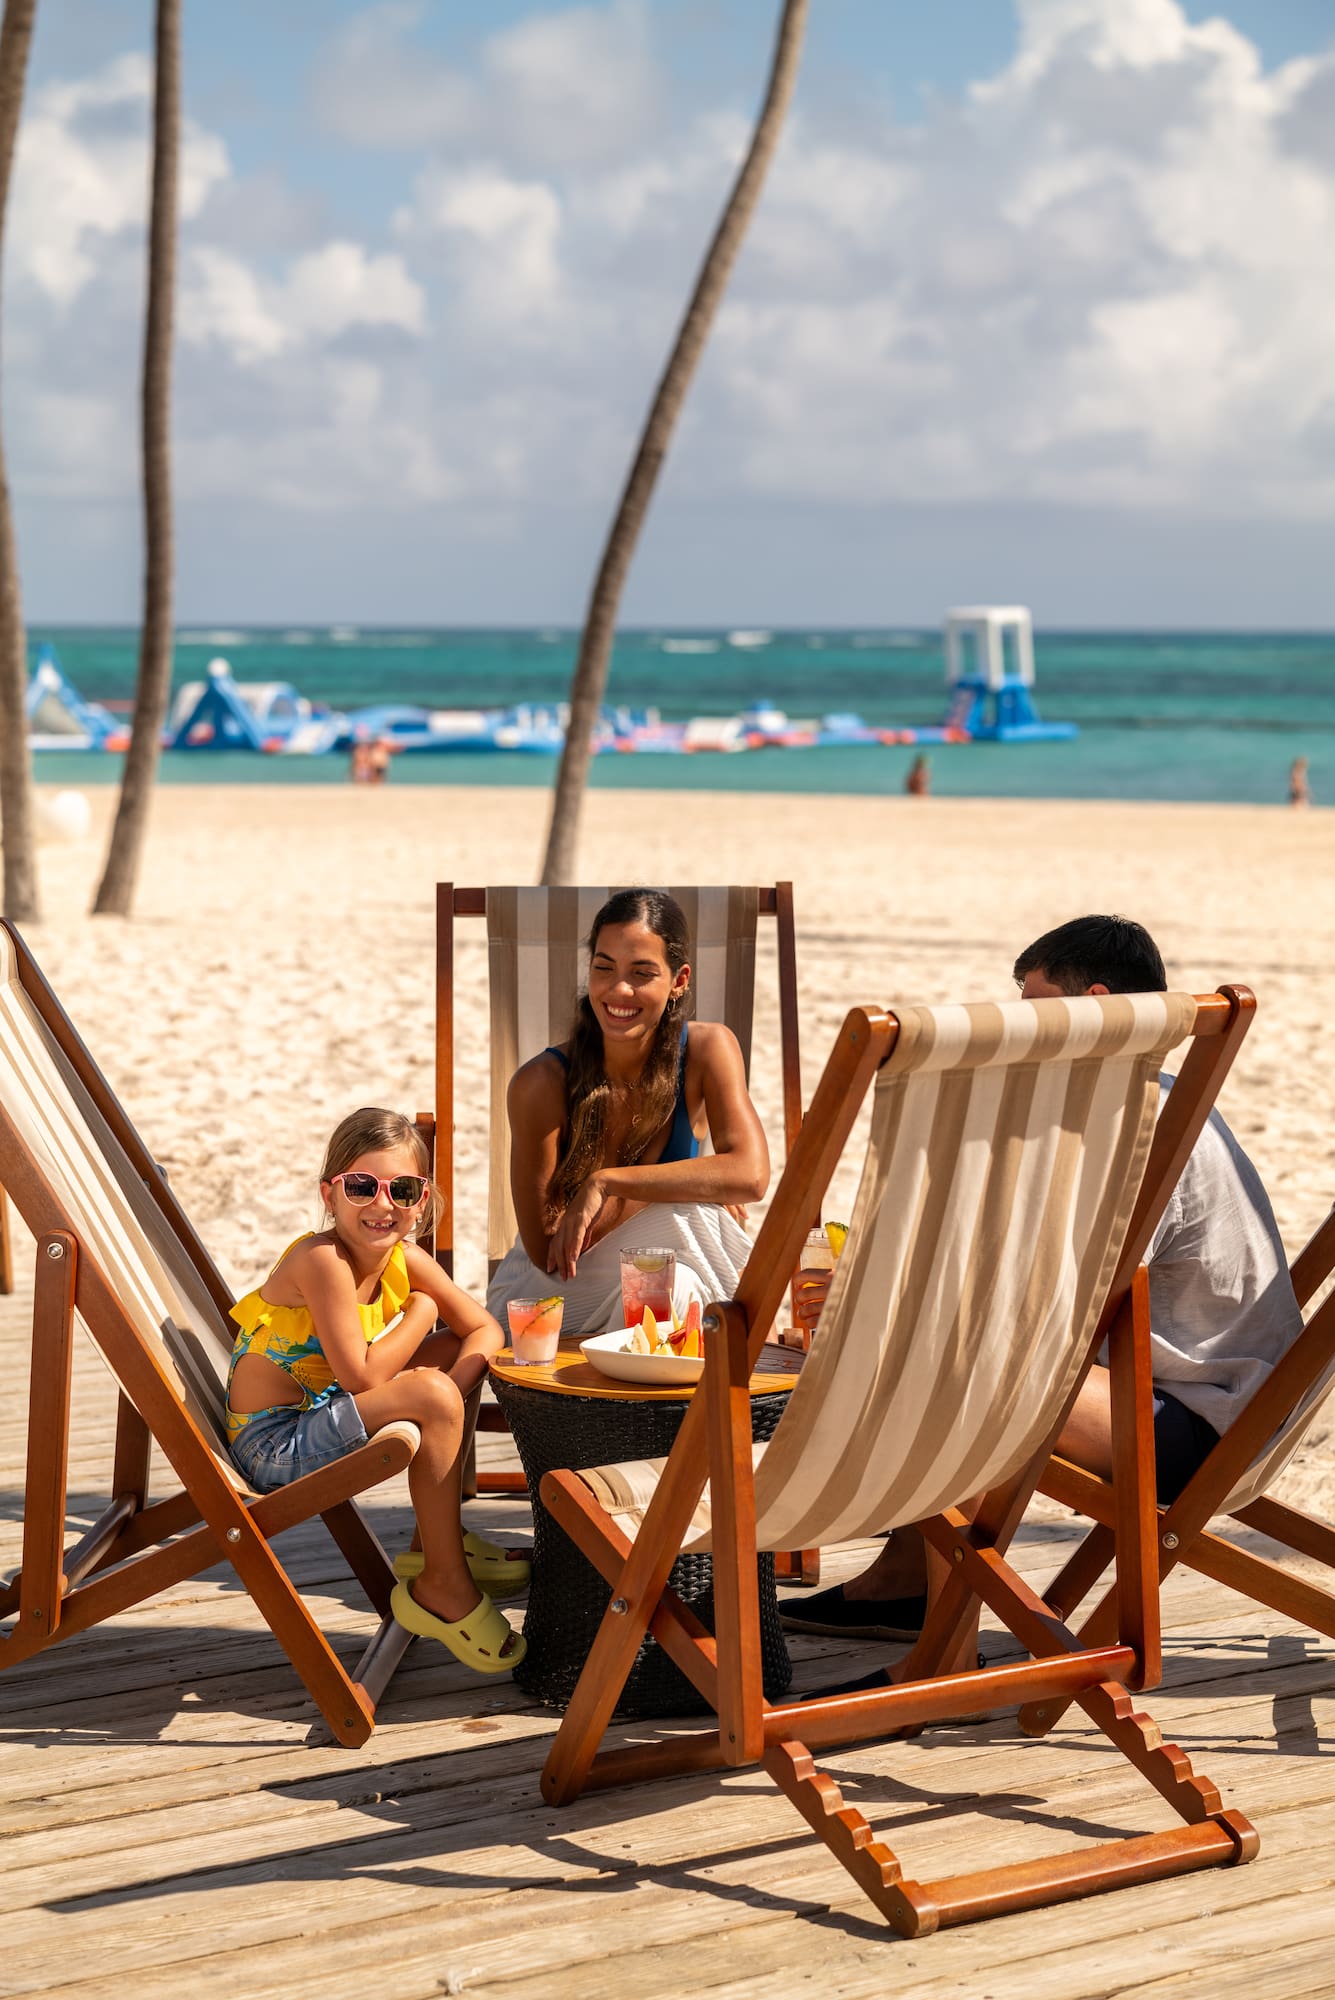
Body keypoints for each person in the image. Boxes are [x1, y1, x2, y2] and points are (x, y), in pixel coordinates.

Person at [782, 913, 1303, 1668]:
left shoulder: (1138, 1123)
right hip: (1226, 1409)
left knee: (949, 1371)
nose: (1024, 1033)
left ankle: (943, 1646)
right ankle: (903, 1586)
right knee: (945, 1347)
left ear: (1092, 1007)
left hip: (1197, 1432)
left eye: (1033, 1008)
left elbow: (1080, 1309)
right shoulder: (1158, 1097)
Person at [226, 1106, 527, 1675]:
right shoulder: (322, 1261)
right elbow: (361, 1379)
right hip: (273, 1445)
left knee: (452, 1364)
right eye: (362, 1187)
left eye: (402, 1189)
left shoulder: (402, 1256)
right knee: (436, 1382)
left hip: (319, 1413)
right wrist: (423, 1314)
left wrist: (446, 1393)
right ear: (330, 1194)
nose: (382, 1205)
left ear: (422, 1200)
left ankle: (435, 1541)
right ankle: (441, 1580)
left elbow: (487, 1329)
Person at [489, 887, 770, 1335]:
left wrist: (605, 1184)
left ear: (678, 981)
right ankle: (752, 1353)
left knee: (675, 1283)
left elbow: (751, 1175)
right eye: (604, 968)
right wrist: (688, 1187)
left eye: (642, 973)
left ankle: (633, 1400)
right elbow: (548, 1251)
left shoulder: (707, 1050)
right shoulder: (541, 1082)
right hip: (546, 1302)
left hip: (654, 1295)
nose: (619, 989)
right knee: (694, 1217)